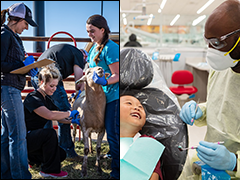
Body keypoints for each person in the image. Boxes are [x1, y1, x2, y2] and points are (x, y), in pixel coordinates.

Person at [179, 0, 240, 179]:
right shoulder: (221, 68)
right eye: (207, 41)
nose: (210, 50)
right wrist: (201, 111)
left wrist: (234, 162)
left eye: (217, 43)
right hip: (207, 161)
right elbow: (224, 106)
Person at [31, 43, 87, 161]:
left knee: (45, 114)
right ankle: (66, 150)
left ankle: (44, 151)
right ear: (84, 56)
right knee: (64, 111)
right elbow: (79, 78)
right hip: (50, 76)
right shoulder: (78, 54)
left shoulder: (66, 50)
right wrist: (79, 92)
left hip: (36, 75)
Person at [1, 2, 38, 179]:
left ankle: (6, 173)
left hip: (11, 87)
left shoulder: (13, 36)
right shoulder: (4, 34)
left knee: (7, 133)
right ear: (17, 20)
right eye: (26, 23)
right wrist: (22, 64)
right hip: (8, 88)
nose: (27, 27)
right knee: (18, 135)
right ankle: (21, 176)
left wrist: (29, 67)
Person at [24, 64, 80, 178]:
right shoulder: (33, 98)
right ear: (41, 82)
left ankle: (32, 159)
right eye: (51, 85)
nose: (54, 89)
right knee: (49, 133)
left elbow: (59, 117)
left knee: (61, 154)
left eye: (56, 85)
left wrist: (73, 121)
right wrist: (69, 113)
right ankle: (48, 170)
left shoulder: (47, 99)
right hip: (24, 139)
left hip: (34, 141)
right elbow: (50, 115)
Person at [86, 14, 119, 179]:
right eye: (87, 32)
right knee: (109, 132)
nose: (89, 35)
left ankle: (118, 172)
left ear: (102, 30)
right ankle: (114, 158)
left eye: (92, 31)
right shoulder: (94, 48)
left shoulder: (111, 48)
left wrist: (105, 81)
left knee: (113, 133)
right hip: (101, 99)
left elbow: (118, 74)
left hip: (113, 97)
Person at [120, 94, 163, 180]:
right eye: (129, 103)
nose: (137, 108)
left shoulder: (148, 143)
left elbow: (154, 177)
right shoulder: (112, 141)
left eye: (141, 107)